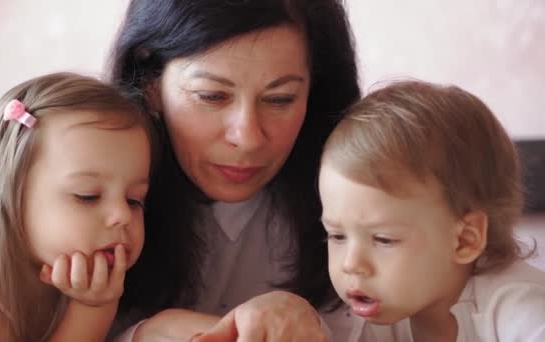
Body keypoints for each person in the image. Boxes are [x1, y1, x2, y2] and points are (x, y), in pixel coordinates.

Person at [108, 0, 360, 340]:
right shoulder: (88, 196)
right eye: (212, 96)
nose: (248, 138)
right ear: (151, 81)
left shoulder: (360, 201)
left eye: (280, 99)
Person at [319, 80, 545, 341]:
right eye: (337, 236)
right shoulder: (370, 314)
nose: (351, 264)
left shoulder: (522, 311)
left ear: (464, 240)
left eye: (383, 239)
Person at [0, 72, 156, 341]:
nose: (122, 215)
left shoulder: (86, 282)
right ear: (9, 190)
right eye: (87, 196)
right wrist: (91, 312)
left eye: (134, 200)